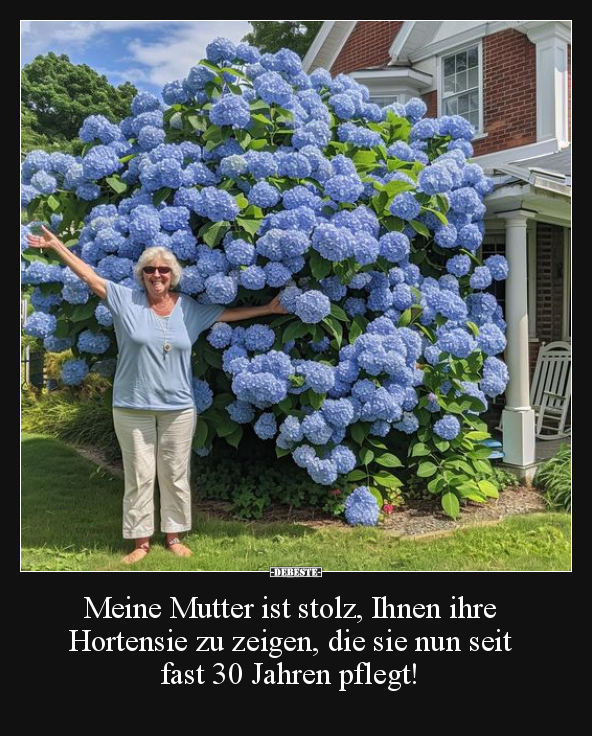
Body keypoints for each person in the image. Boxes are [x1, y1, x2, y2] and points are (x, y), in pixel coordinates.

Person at [26, 225, 288, 564]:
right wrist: (57, 245)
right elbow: (90, 277)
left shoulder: (188, 309)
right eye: (149, 269)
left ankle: (175, 536)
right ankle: (140, 543)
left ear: (173, 275)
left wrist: (269, 309)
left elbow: (227, 315)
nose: (157, 274)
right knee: (139, 475)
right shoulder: (125, 301)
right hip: (131, 406)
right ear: (142, 275)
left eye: (163, 269)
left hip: (178, 408)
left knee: (175, 474)